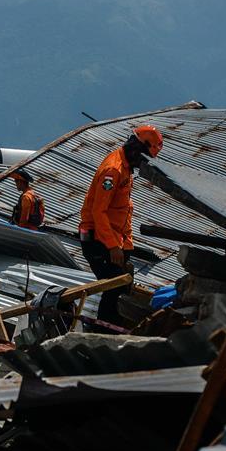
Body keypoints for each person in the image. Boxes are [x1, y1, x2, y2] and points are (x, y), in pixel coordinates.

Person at [79, 125, 163, 325]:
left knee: (124, 282)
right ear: (137, 148)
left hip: (114, 237)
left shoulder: (126, 168)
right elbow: (99, 212)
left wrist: (126, 245)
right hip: (96, 238)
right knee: (114, 286)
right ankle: (104, 330)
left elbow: (124, 210)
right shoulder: (113, 170)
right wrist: (113, 246)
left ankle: (113, 326)